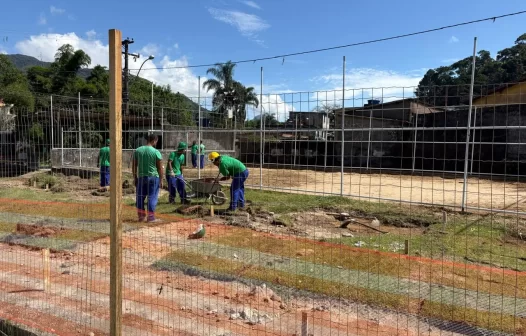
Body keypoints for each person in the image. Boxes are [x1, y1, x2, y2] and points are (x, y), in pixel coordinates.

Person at [132, 134, 163, 222]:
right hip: (153, 177)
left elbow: (134, 165)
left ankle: (141, 216)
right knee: (152, 197)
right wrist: (161, 179)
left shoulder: (138, 150)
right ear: (155, 140)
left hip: (141, 177)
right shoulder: (156, 152)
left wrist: (135, 177)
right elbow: (160, 167)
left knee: (140, 197)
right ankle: (151, 217)